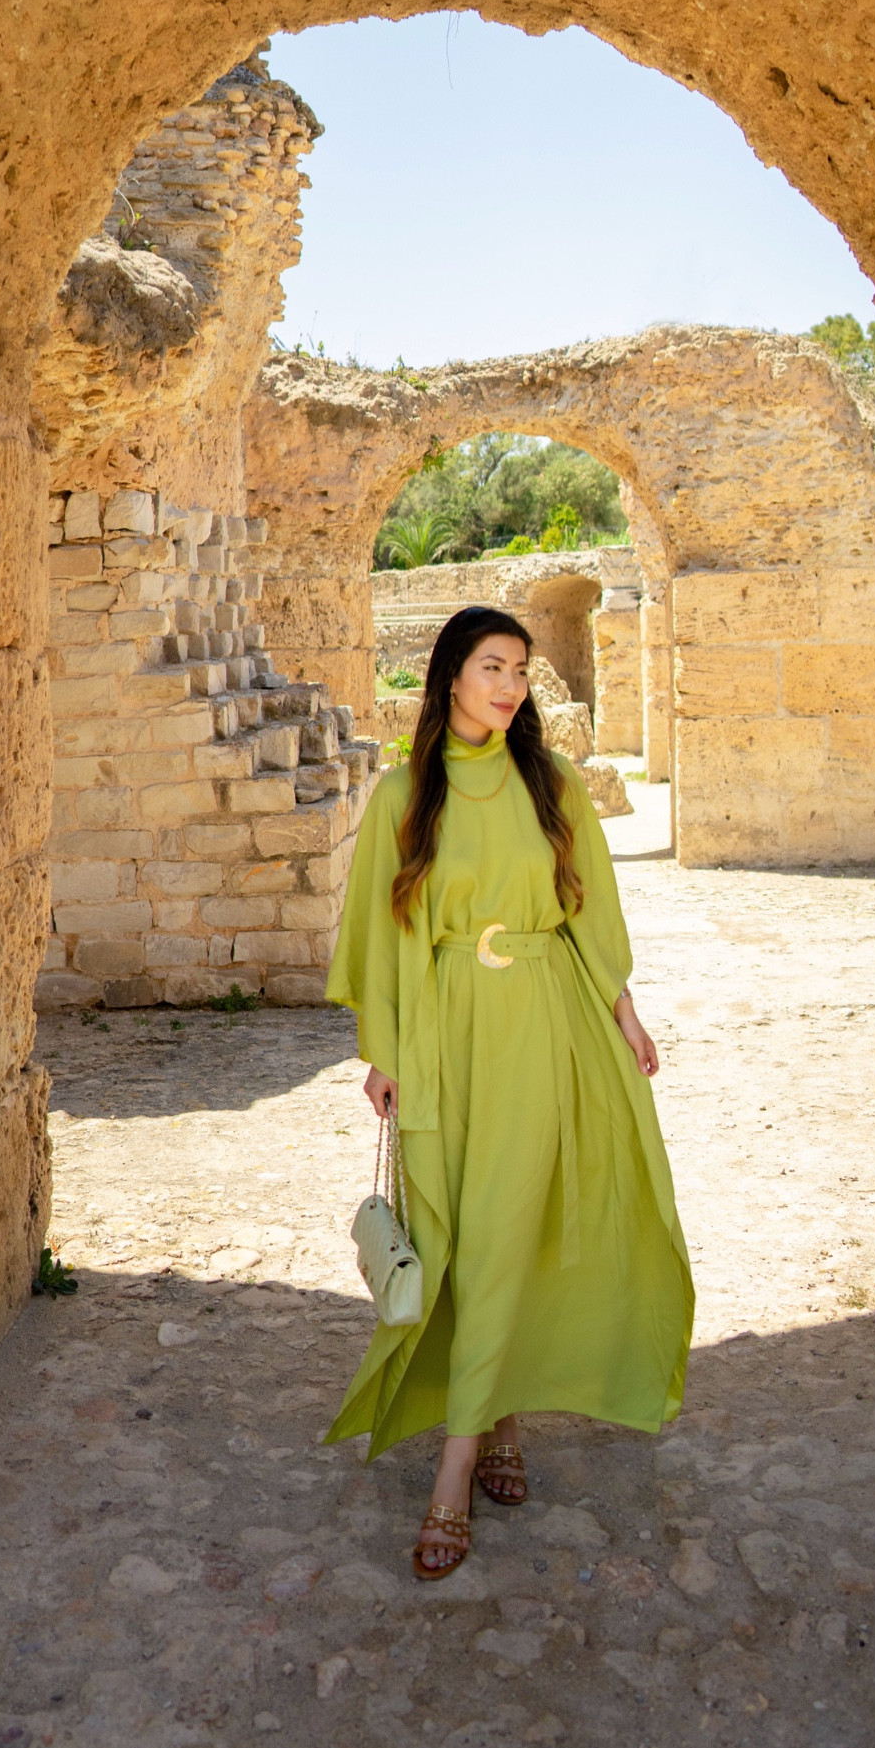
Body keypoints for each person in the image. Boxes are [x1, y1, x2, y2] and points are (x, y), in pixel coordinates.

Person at [324, 605, 694, 1579]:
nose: (510, 686)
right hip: (444, 1034)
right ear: (451, 673)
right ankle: (500, 1420)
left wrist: (624, 1013)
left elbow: (587, 908)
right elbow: (378, 931)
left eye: (522, 671)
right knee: (457, 1236)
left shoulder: (551, 781)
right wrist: (383, 1049)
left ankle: (452, 1477)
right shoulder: (405, 795)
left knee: (503, 1232)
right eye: (493, 666)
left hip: (541, 1027)